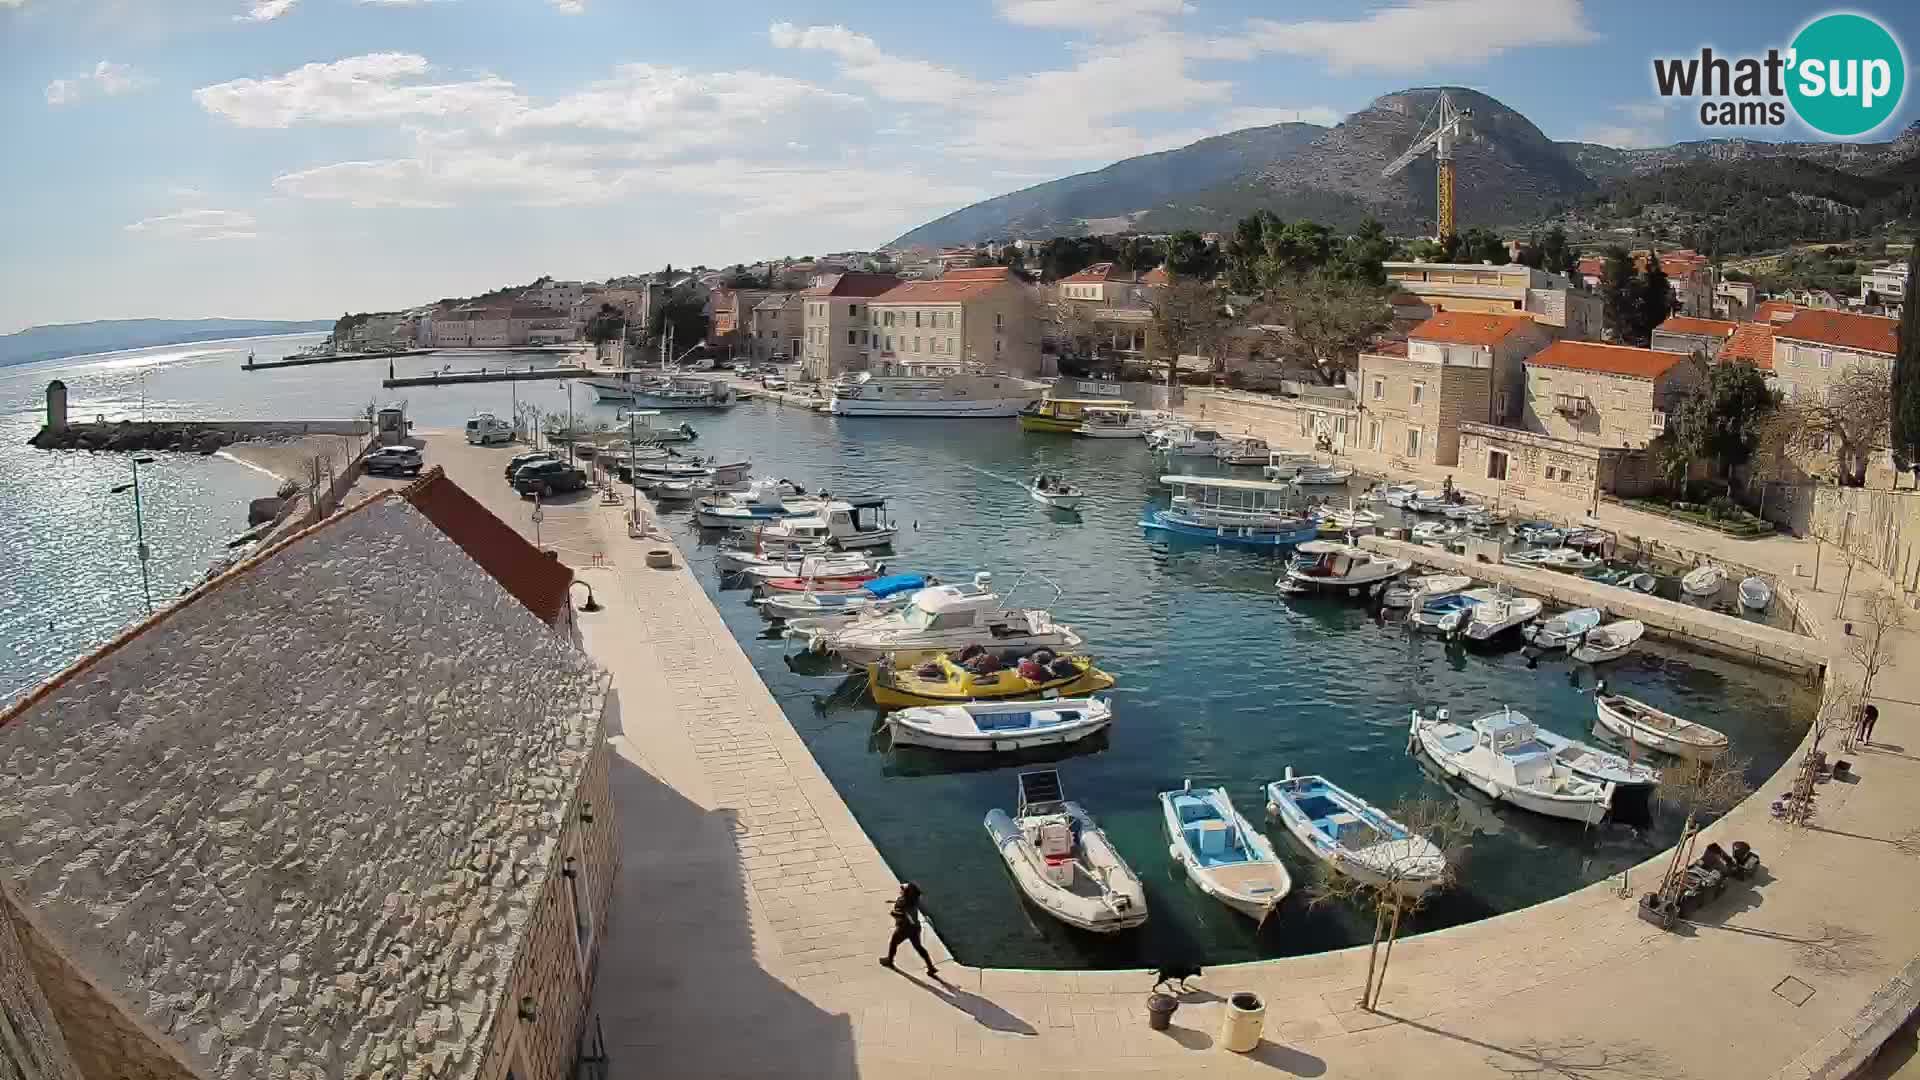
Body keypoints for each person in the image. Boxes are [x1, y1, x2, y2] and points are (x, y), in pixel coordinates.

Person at [880, 882, 936, 976]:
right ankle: (931, 967)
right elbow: (908, 910)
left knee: (893, 943)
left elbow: (903, 915)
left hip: (904, 928)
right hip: (916, 928)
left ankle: (889, 961)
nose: (901, 889)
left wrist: (893, 913)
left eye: (903, 889)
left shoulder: (902, 902)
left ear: (906, 893)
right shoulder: (914, 900)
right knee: (919, 947)